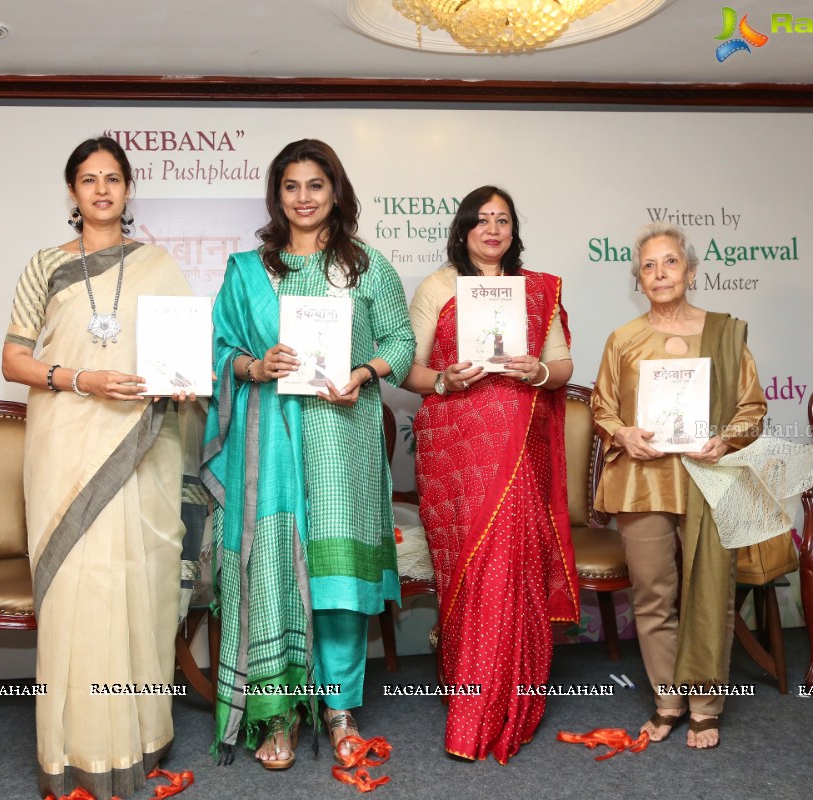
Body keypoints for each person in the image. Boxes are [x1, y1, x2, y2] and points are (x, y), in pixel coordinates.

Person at [202, 139, 416, 769]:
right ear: (278, 196)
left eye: (315, 185)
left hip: (340, 442)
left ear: (335, 190)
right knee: (275, 574)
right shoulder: (249, 270)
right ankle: (278, 715)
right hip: (268, 448)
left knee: (338, 580)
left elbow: (401, 342)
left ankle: (339, 707)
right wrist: (253, 364)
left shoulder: (367, 265)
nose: (303, 198)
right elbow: (216, 353)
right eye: (291, 186)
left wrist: (365, 371)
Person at [1, 136, 204, 797]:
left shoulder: (156, 265)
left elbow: (181, 361)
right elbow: (14, 360)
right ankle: (77, 746)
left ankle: (138, 734)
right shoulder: (43, 266)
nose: (101, 189)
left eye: (112, 178)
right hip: (68, 440)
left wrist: (181, 383)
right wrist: (83, 378)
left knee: (137, 582)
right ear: (71, 191)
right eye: (88, 179)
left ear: (126, 188)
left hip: (142, 445)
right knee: (80, 586)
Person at [402, 186, 579, 764]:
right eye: (482, 220)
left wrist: (538, 370)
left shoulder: (537, 291)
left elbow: (563, 367)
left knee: (508, 564)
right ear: (463, 229)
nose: (493, 230)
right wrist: (449, 380)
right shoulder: (438, 287)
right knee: (471, 569)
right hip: (457, 450)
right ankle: (470, 686)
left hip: (517, 448)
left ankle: (493, 706)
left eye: (503, 220)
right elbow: (410, 370)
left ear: (513, 231)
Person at [591, 221, 766, 750]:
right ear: (637, 279)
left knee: (708, 593)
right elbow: (602, 407)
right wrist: (621, 431)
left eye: (670, 262)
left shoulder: (726, 333)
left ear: (690, 270)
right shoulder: (623, 339)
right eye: (648, 265)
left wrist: (724, 440)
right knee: (652, 596)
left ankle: (706, 707)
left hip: (706, 480)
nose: (660, 273)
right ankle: (668, 702)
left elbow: (752, 408)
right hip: (643, 481)